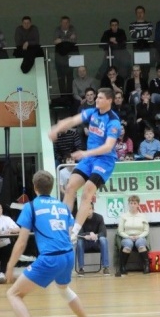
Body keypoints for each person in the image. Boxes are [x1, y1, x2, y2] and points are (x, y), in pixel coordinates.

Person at [5, 170, 101, 317]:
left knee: (14, 294)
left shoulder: (31, 207)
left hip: (51, 257)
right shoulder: (62, 206)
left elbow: (22, 241)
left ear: (35, 187)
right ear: (51, 187)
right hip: (67, 255)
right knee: (64, 290)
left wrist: (10, 266)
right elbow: (70, 230)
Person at [48, 87, 121, 243]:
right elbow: (73, 120)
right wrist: (57, 128)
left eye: (100, 98)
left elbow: (108, 146)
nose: (97, 100)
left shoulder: (113, 120)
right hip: (89, 159)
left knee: (87, 191)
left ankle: (74, 232)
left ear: (109, 100)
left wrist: (85, 153)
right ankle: (64, 225)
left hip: (104, 160)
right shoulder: (93, 112)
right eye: (97, 97)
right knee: (70, 187)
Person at [116, 195, 150, 274]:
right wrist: (128, 237)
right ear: (128, 204)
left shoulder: (143, 216)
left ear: (138, 205)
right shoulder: (123, 216)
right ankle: (122, 267)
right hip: (127, 237)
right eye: (131, 203)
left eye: (135, 203)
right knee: (128, 244)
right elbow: (120, 231)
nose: (133, 205)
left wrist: (139, 236)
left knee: (141, 244)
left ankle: (147, 266)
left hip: (140, 237)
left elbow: (146, 230)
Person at [75, 201, 110, 275]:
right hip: (85, 243)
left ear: (93, 210)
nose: (88, 211)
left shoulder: (99, 217)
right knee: (79, 242)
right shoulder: (80, 218)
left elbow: (104, 233)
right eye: (86, 209)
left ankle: (106, 267)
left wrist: (95, 235)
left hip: (96, 243)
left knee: (103, 239)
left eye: (90, 208)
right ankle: (81, 268)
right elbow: (79, 233)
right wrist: (89, 234)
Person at [53, 16, 78, 95]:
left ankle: (70, 96)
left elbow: (73, 40)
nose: (65, 24)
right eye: (63, 22)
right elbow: (56, 41)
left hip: (70, 57)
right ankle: (63, 96)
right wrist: (68, 39)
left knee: (70, 77)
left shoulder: (72, 28)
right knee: (61, 78)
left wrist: (62, 39)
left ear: (69, 23)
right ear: (61, 23)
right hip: (60, 58)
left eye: (66, 22)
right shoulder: (57, 29)